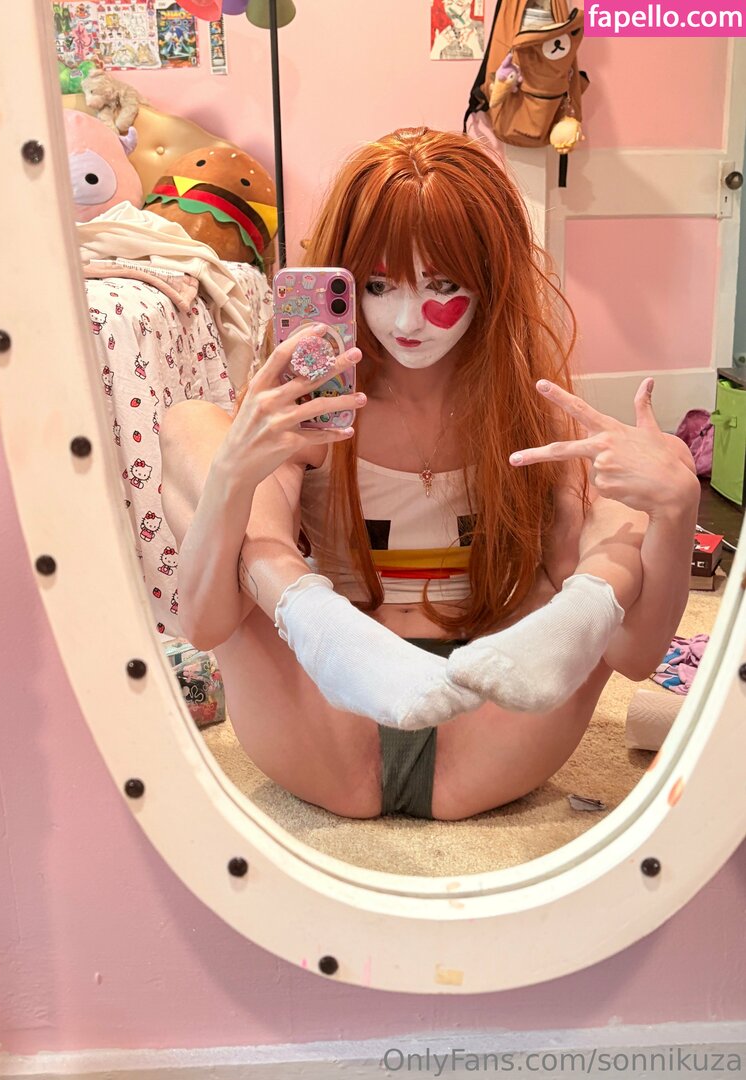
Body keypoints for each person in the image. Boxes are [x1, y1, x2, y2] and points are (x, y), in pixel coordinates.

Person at [160, 127, 700, 822]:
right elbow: (207, 624)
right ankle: (310, 614)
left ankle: (581, 610)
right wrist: (235, 475)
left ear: (490, 280)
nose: (408, 319)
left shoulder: (527, 409)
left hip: (488, 721)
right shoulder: (318, 409)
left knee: (632, 465)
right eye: (378, 285)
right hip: (329, 725)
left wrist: (676, 509)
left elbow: (634, 654)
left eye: (442, 285)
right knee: (195, 429)